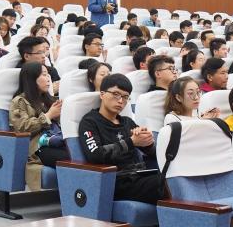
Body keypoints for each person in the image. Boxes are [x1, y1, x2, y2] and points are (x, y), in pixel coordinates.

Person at [77, 73, 163, 203]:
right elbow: (95, 155)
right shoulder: (90, 122)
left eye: (125, 97)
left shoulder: (127, 122)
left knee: (173, 179)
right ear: (102, 94)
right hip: (117, 181)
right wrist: (131, 142)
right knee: (168, 184)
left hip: (140, 176)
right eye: (116, 94)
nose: (121, 101)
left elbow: (152, 153)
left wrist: (148, 142)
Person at [9, 62, 68, 190]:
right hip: (39, 147)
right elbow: (22, 128)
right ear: (31, 79)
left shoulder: (50, 100)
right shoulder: (19, 101)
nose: (48, 79)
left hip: (58, 140)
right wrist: (48, 116)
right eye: (44, 75)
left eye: (48, 75)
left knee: (78, 152)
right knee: (70, 159)